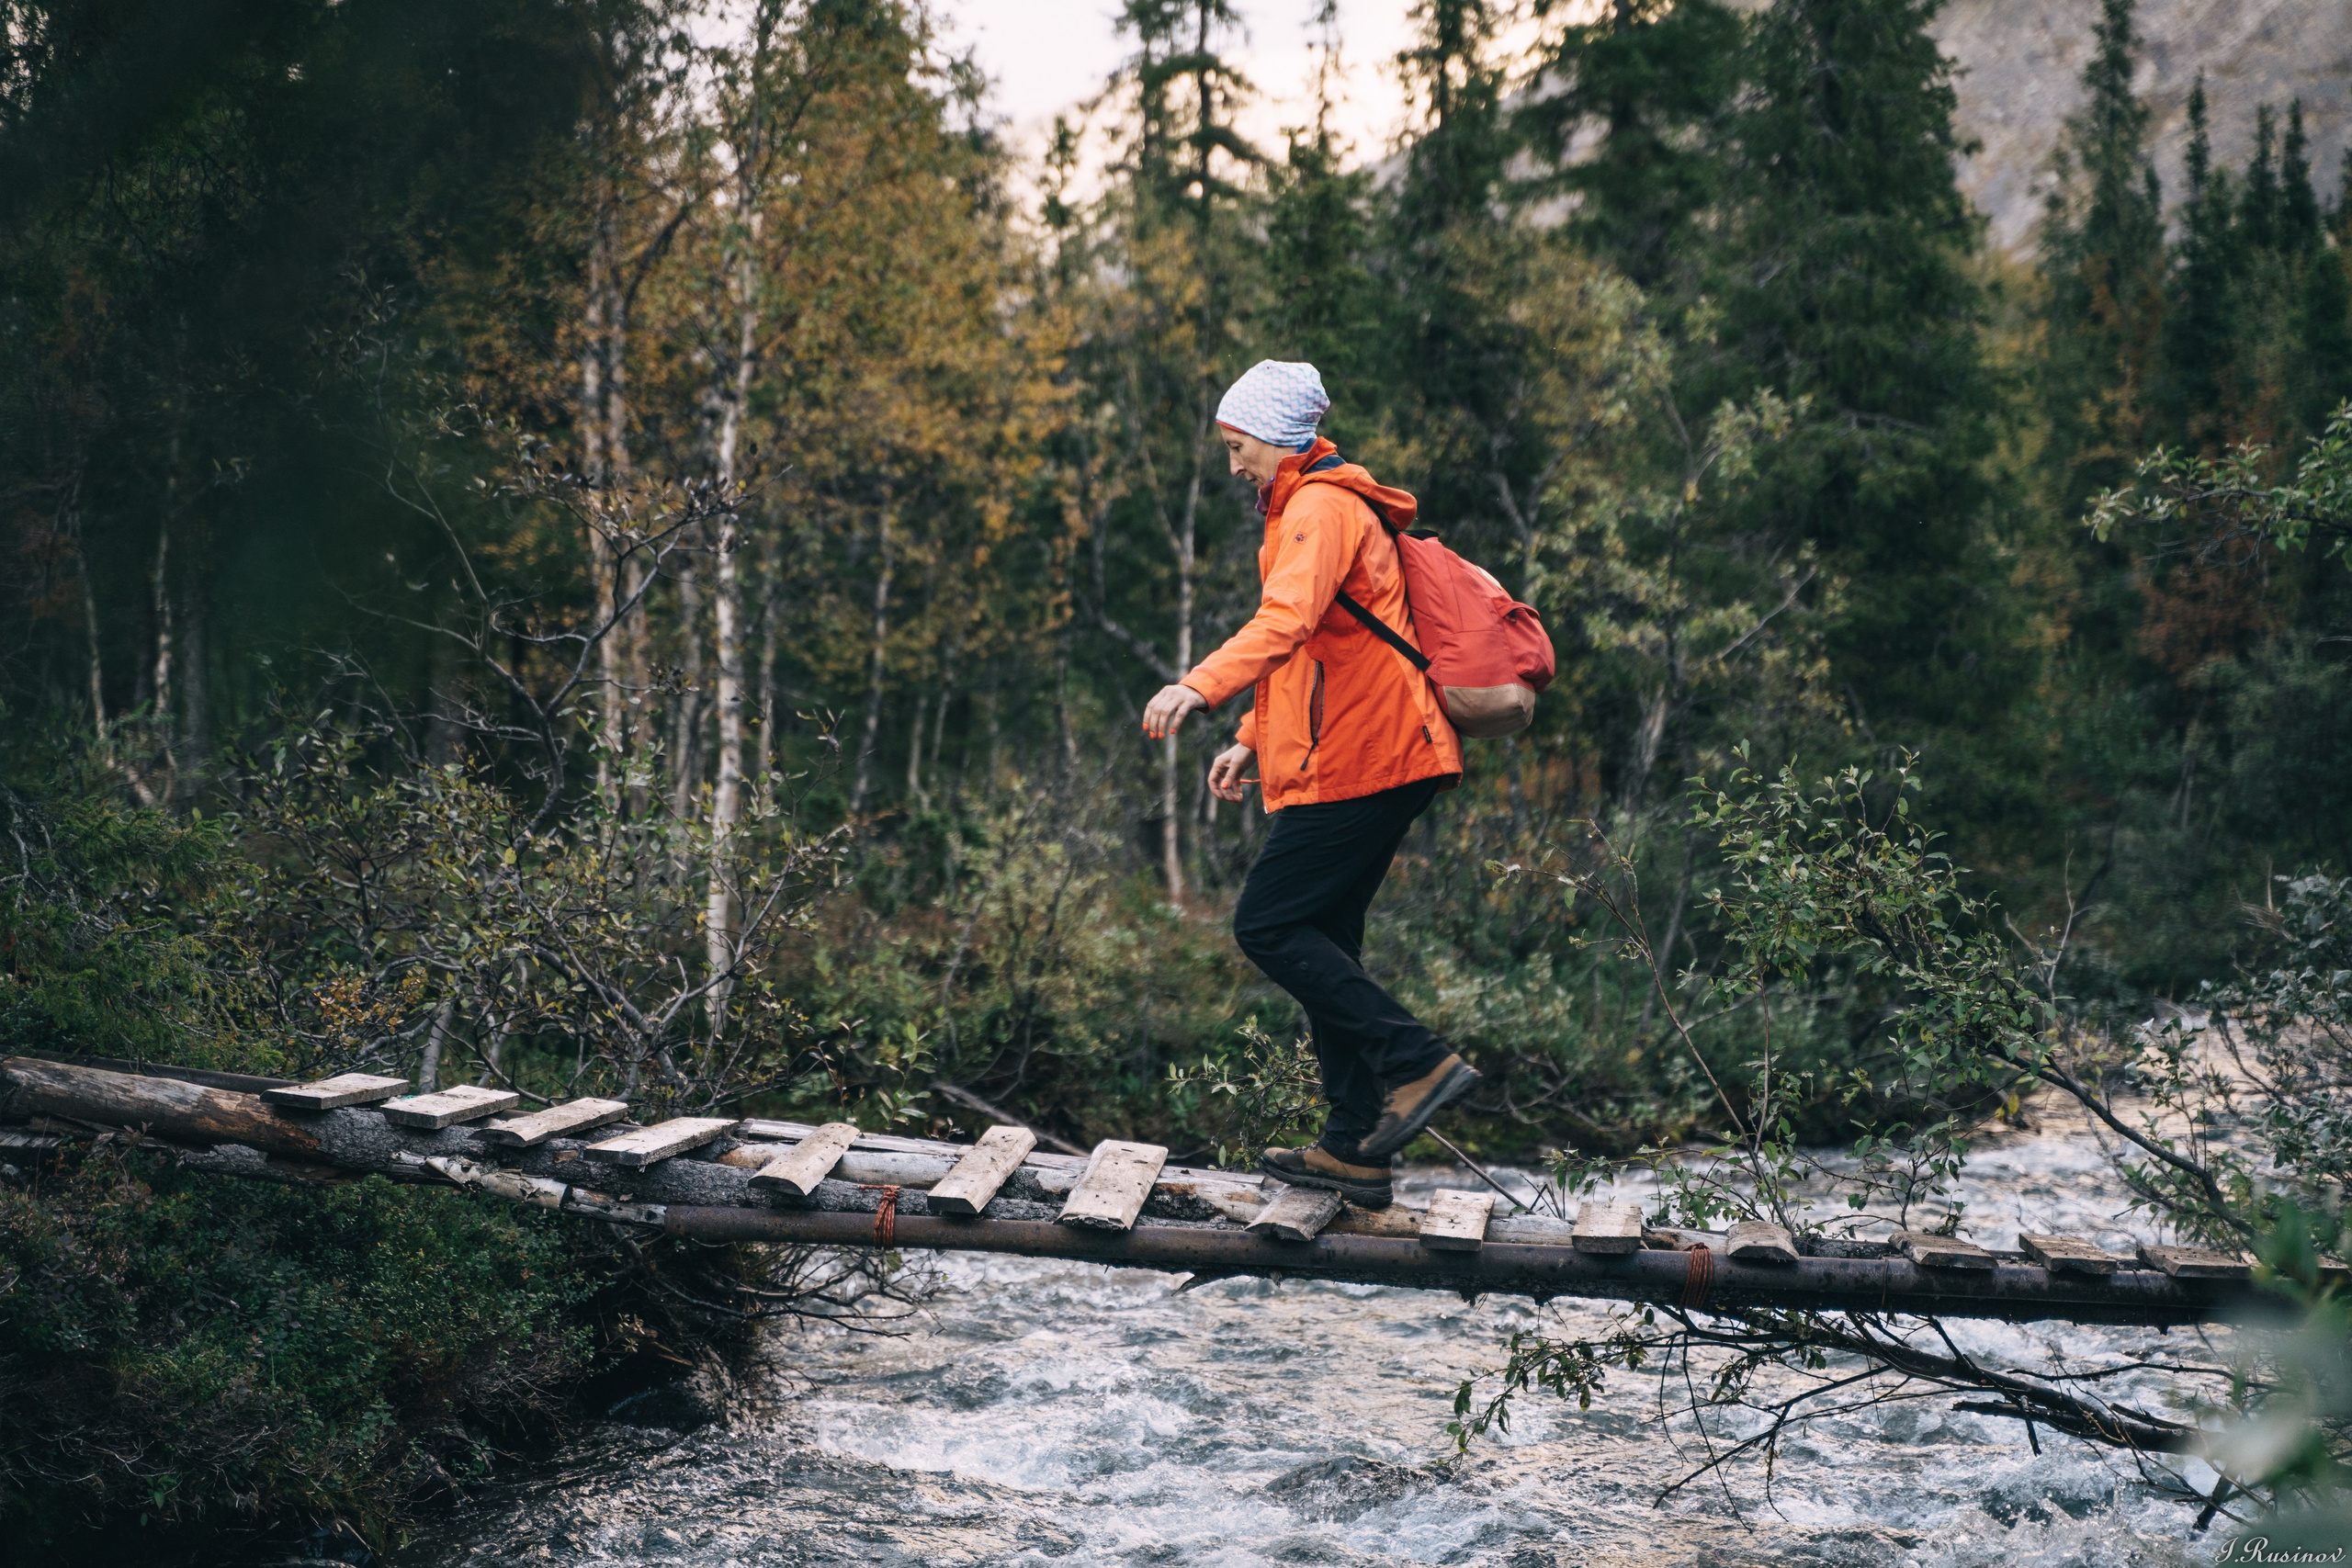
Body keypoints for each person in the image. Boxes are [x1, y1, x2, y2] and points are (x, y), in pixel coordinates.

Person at [1139, 359, 1480, 1210]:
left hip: (1368, 755)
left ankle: (1418, 1061)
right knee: (1322, 936)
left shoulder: (1322, 507)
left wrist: (1200, 684)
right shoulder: (1305, 505)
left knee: (1268, 921)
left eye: (1238, 444)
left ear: (1281, 437)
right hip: (1355, 752)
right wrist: (1253, 736)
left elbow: (1284, 621)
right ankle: (1355, 1149)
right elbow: (1320, 645)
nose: (1232, 463)